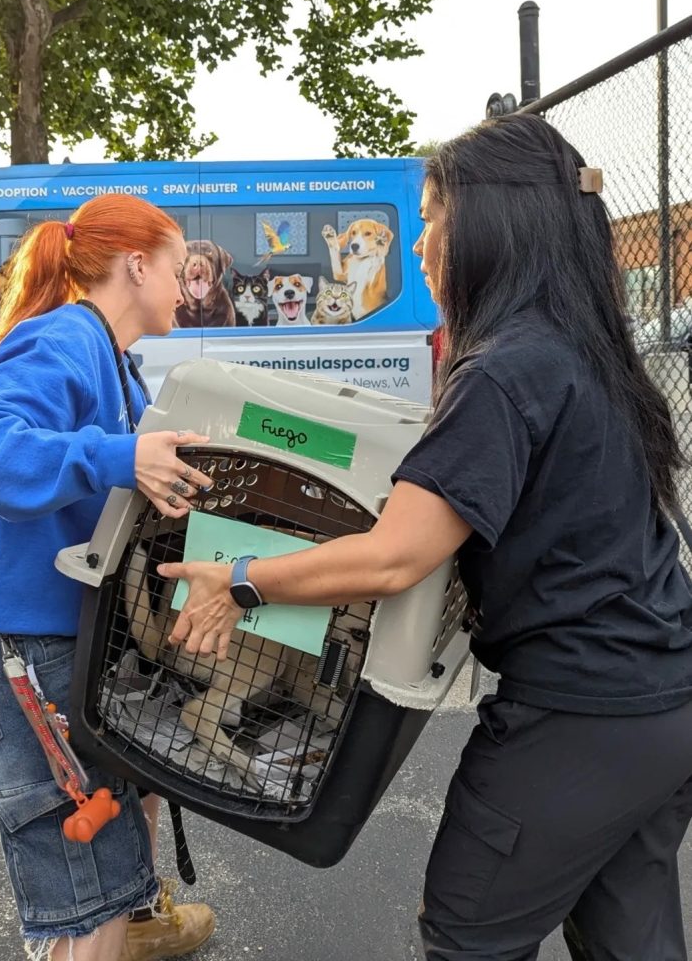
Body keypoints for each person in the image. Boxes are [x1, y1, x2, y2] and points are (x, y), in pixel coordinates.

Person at [160, 115, 692, 961]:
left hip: (575, 717)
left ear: (486, 226)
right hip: (661, 703)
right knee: (629, 938)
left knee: (465, 936)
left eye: (431, 220)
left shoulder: (505, 368)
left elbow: (394, 553)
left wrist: (241, 578)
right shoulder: (587, 354)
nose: (418, 247)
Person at [0, 193, 217, 961]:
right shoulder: (63, 338)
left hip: (44, 641)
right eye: (180, 271)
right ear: (137, 264)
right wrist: (120, 457)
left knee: (117, 822)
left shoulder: (111, 357)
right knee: (83, 881)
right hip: (11, 651)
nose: (188, 289)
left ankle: (139, 924)